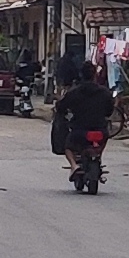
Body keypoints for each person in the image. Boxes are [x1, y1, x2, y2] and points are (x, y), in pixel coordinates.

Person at [48, 55, 114, 183]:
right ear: (95, 75)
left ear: (81, 75)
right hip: (100, 130)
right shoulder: (105, 92)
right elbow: (109, 111)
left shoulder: (74, 92)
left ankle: (74, 166)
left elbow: (61, 107)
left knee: (68, 146)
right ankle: (98, 156)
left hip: (80, 131)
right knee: (104, 138)